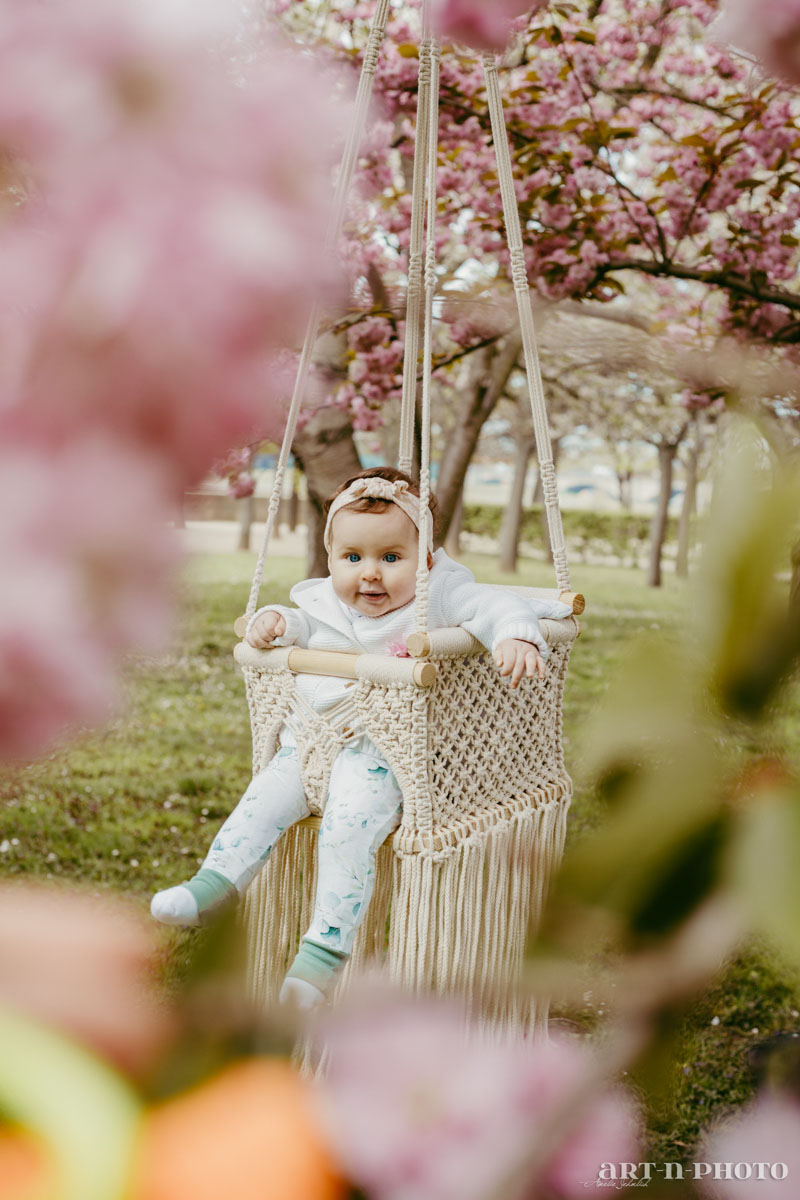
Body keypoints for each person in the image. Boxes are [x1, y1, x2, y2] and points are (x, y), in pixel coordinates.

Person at [151, 467, 572, 1007]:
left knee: (346, 832)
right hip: (308, 743)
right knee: (259, 803)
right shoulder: (330, 598)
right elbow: (301, 624)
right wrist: (274, 621)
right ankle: (212, 884)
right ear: (331, 556)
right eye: (353, 558)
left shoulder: (440, 594)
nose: (369, 575)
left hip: (381, 758)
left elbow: (491, 606)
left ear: (425, 556)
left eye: (391, 558)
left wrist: (513, 635)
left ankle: (322, 954)